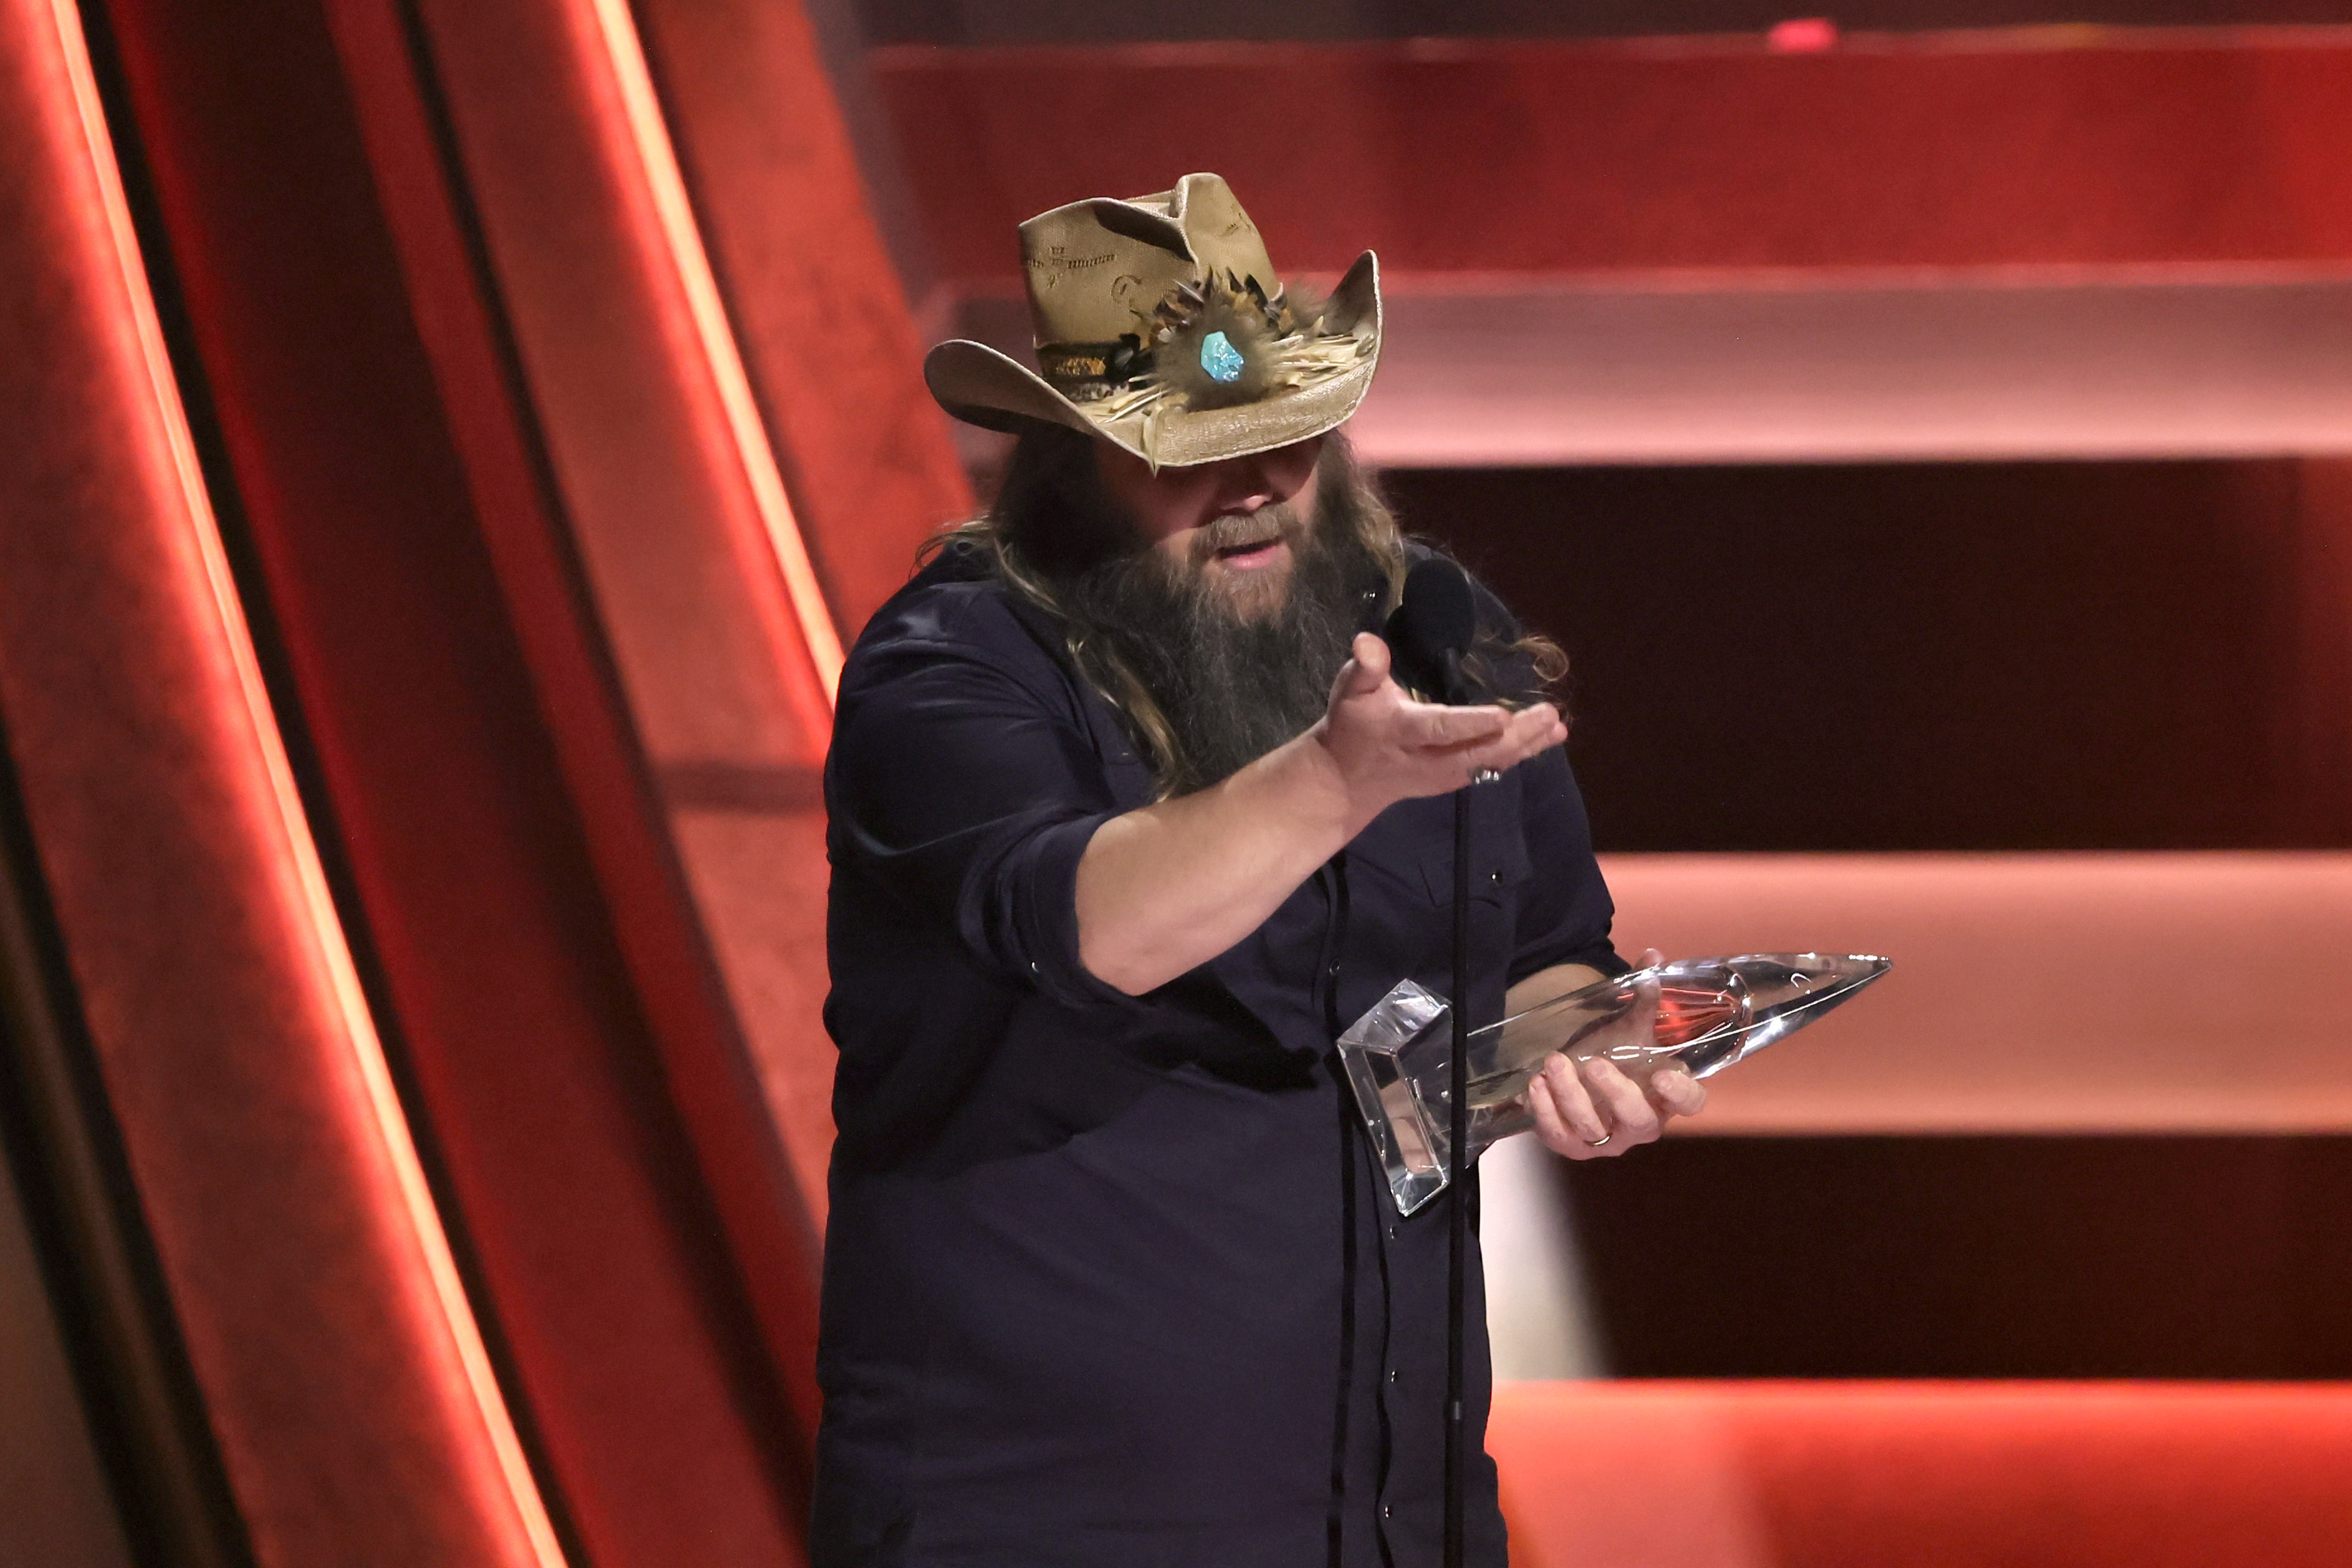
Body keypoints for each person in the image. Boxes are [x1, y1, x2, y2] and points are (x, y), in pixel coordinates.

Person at [815, 173, 1707, 1568]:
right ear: (1071, 465)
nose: (1253, 487)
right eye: (1186, 448)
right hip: (1052, 1512)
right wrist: (1331, 784)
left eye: (1286, 435)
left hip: (1396, 1504)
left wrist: (1586, 1055)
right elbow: (1093, 926)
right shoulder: (952, 665)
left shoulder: (1439, 629)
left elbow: (1547, 950)